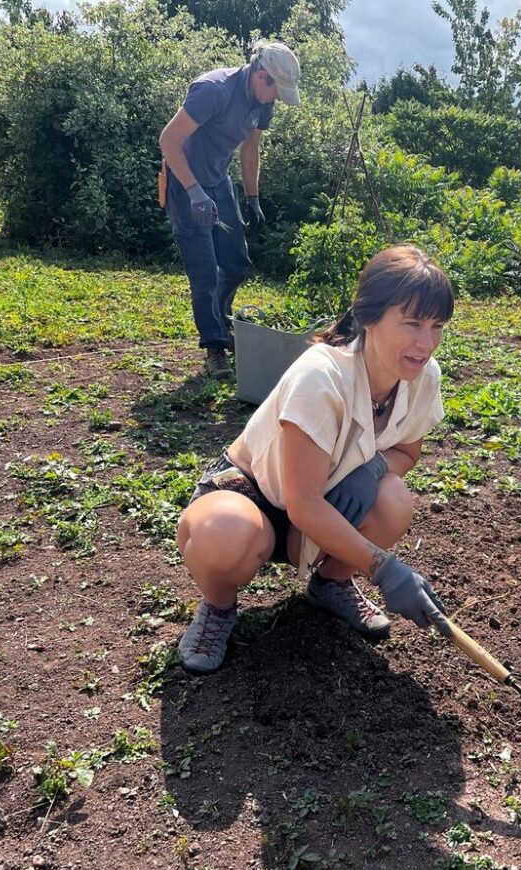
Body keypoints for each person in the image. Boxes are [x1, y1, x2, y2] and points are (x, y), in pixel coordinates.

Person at [175, 244, 455, 673]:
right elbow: (302, 503)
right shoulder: (322, 376)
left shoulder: (422, 377)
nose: (426, 343)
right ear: (369, 317)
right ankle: (217, 607)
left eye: (436, 326)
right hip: (256, 493)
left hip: (325, 501)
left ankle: (331, 583)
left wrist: (374, 469)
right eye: (412, 323)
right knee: (223, 534)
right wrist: (385, 570)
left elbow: (407, 451)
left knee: (393, 498)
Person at [158, 42, 301, 380]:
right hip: (185, 182)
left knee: (236, 264)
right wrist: (193, 191)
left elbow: (250, 149)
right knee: (205, 270)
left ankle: (221, 320)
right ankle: (214, 347)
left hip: (219, 183)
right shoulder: (214, 91)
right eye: (276, 90)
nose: (278, 98)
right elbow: (168, 140)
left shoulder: (262, 104)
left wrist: (252, 197)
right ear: (261, 76)